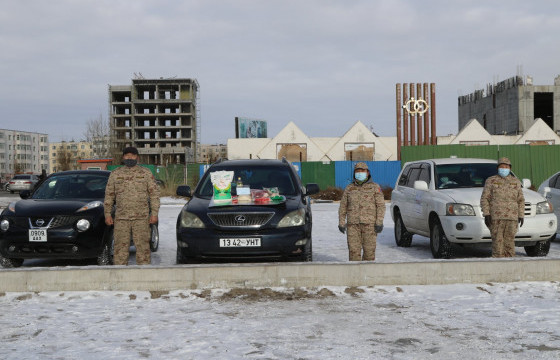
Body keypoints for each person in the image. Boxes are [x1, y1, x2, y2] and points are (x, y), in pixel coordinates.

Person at [104, 147, 160, 265]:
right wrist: (107, 214)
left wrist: (154, 213)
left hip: (141, 218)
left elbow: (154, 194)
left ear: (137, 158)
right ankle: (120, 278)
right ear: (123, 157)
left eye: (132, 155)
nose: (130, 158)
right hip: (121, 218)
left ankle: (143, 278)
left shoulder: (145, 173)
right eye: (127, 155)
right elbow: (109, 195)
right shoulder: (115, 174)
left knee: (143, 249)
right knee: (120, 250)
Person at [338, 162, 386, 261]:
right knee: (354, 254)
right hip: (353, 226)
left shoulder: (374, 187)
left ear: (367, 172)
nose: (360, 173)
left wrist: (379, 222)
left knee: (369, 254)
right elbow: (343, 206)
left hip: (370, 226)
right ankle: (355, 276)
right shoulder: (349, 188)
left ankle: (368, 275)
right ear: (354, 173)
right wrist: (341, 222)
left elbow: (381, 206)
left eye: (362, 171)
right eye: (357, 171)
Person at [480, 157, 524, 258]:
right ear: (498, 168)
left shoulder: (516, 181)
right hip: (496, 217)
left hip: (512, 217)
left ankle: (510, 268)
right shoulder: (491, 180)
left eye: (506, 166)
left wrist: (521, 215)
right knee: (497, 245)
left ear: (510, 168)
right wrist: (486, 214)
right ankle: (498, 267)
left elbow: (520, 199)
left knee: (510, 244)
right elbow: (485, 199)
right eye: (502, 166)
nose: (504, 168)